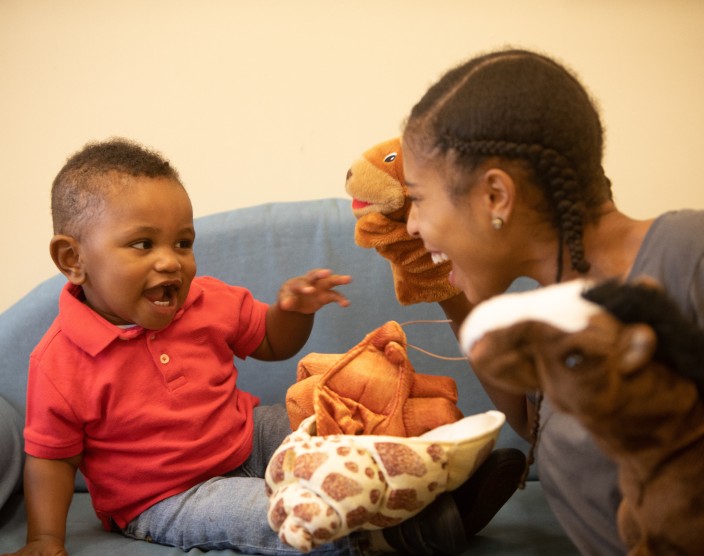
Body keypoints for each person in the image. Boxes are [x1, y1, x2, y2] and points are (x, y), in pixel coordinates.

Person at [6, 138, 524, 556]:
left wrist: (291, 311)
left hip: (246, 436)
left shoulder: (203, 299)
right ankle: (395, 535)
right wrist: (46, 538)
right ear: (72, 259)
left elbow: (272, 342)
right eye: (143, 244)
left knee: (329, 420)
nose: (172, 262)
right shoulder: (59, 362)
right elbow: (52, 458)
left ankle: (441, 481)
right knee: (278, 508)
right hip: (168, 497)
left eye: (182, 242)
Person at [400, 48, 704, 555]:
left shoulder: (699, 255)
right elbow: (536, 424)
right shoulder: (561, 311)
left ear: (496, 196)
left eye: (419, 198)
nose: (410, 225)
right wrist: (446, 288)